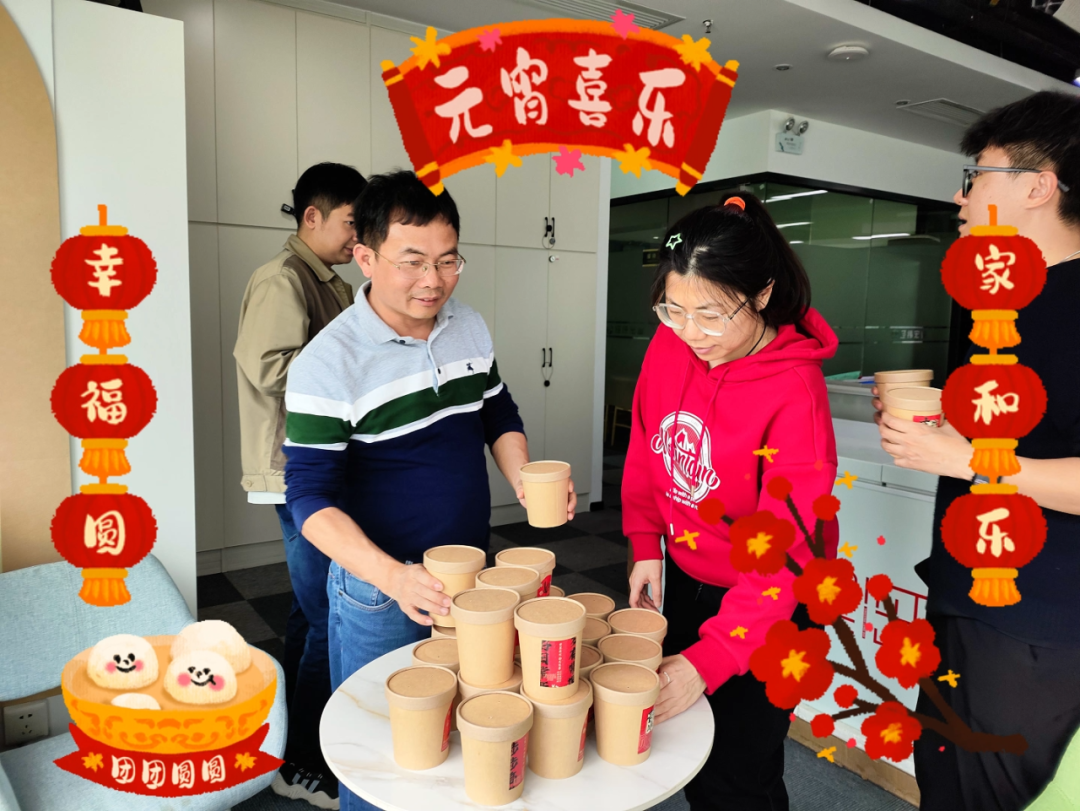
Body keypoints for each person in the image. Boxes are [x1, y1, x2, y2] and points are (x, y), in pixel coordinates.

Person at [282, 170, 576, 811]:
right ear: (365, 256)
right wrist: (393, 577)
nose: (433, 281)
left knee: (457, 743)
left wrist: (522, 476)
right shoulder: (327, 363)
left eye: (448, 261)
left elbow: (496, 411)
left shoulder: (466, 324)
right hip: (382, 591)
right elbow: (308, 498)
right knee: (381, 758)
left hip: (471, 574)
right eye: (412, 261)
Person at [872, 90, 1080, 811]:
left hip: (1032, 622)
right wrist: (940, 429)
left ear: (1038, 186)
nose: (958, 196)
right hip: (964, 590)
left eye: (975, 175)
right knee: (944, 781)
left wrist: (965, 460)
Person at [623, 194, 840, 810]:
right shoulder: (674, 341)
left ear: (762, 294)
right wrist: (646, 544)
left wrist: (713, 657)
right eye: (674, 310)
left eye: (712, 315)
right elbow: (648, 442)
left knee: (739, 775)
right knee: (688, 753)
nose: (692, 332)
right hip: (690, 576)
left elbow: (787, 556)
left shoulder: (795, 391)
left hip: (773, 603)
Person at [234, 162, 366, 809]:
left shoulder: (328, 281)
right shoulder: (283, 278)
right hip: (294, 472)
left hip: (313, 465)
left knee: (306, 608)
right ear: (311, 217)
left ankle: (282, 736)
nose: (358, 236)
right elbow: (266, 367)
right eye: (351, 223)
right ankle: (304, 762)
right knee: (324, 616)